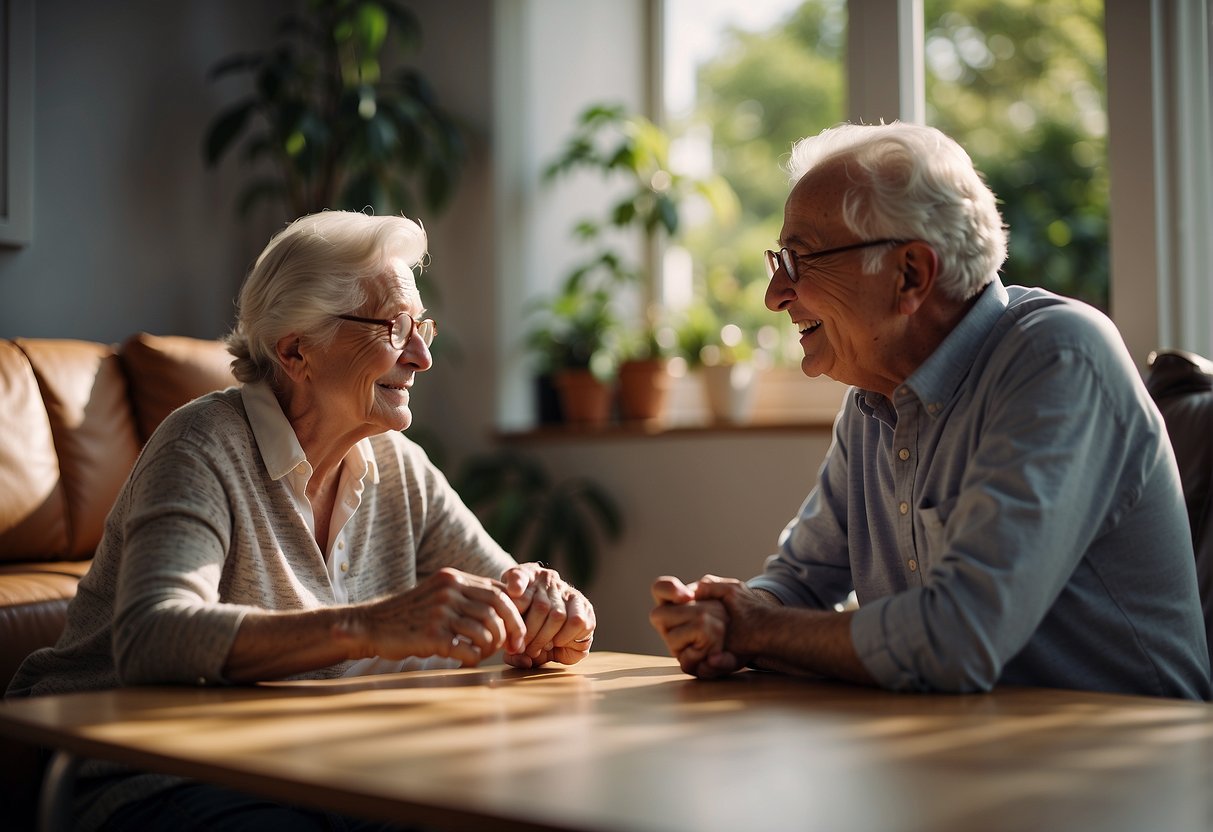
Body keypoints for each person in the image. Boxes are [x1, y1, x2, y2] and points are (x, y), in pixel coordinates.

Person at [7, 210, 595, 830]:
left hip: (317, 768)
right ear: (295, 350)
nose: (421, 355)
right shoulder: (201, 443)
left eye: (422, 326)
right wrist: (371, 627)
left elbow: (510, 595)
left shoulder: (399, 467)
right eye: (395, 328)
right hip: (155, 774)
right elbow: (154, 637)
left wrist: (552, 611)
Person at [650, 121, 1211, 701]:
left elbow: (958, 638)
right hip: (965, 758)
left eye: (801, 260)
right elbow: (800, 579)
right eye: (779, 260)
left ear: (911, 275)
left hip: (1128, 769)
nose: (775, 294)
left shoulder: (1059, 356)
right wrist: (730, 616)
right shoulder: (873, 399)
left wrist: (757, 629)